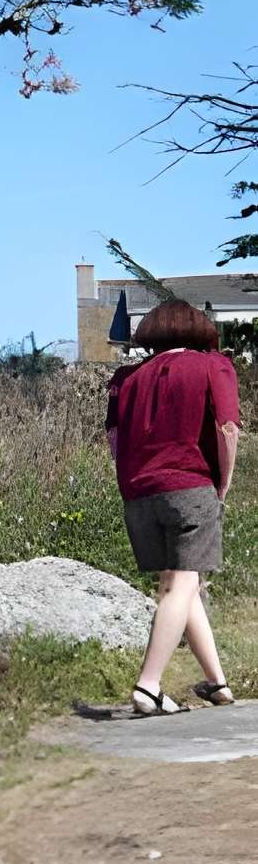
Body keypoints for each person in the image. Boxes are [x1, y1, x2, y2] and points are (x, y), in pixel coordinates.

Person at [106, 298, 241, 716]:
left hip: (139, 493)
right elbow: (227, 429)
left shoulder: (126, 378)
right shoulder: (211, 365)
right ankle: (149, 686)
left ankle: (217, 683)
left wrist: (135, 480)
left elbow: (113, 438)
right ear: (200, 331)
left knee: (182, 584)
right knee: (180, 585)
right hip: (190, 485)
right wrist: (224, 484)